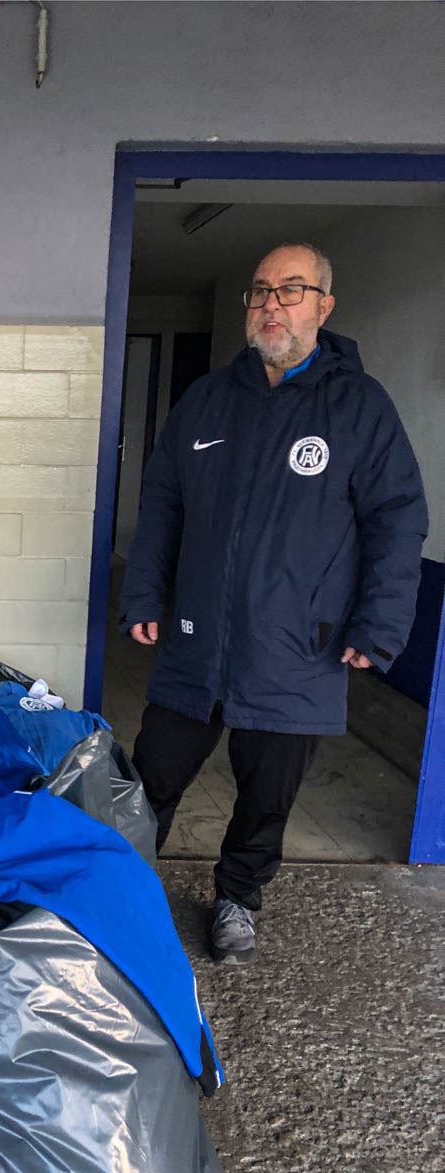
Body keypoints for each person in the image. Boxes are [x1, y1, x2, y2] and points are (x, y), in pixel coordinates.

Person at [121, 241, 428, 964]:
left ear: (324, 306)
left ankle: (237, 896)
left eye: (291, 290)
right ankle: (119, 895)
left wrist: (380, 625)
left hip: (297, 647)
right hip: (197, 640)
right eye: (260, 290)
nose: (271, 304)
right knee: (148, 777)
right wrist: (144, 594)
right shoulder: (207, 400)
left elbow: (397, 519)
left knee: (266, 795)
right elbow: (162, 505)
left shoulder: (359, 407)